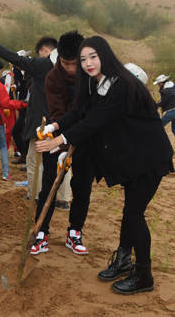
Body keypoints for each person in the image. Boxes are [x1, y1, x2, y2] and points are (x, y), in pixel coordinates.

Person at [35, 36, 173, 295]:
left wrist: (60, 141)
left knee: (134, 215)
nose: (88, 64)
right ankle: (123, 260)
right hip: (132, 158)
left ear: (105, 56)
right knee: (130, 212)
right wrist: (53, 127)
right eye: (83, 59)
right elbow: (78, 112)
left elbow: (96, 121)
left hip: (149, 157)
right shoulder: (93, 83)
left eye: (93, 57)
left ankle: (144, 275)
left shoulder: (121, 85)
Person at [29, 31, 92, 256]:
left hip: (86, 139)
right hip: (57, 138)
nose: (71, 69)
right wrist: (62, 147)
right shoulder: (53, 77)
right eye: (66, 63)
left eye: (75, 63)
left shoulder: (91, 75)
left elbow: (91, 115)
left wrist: (76, 139)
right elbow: (59, 113)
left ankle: (75, 232)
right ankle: (41, 232)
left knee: (82, 188)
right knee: (49, 186)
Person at [0, 35, 57, 200]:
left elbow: (17, 59)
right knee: (56, 161)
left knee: (34, 161)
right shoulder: (67, 66)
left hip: (42, 121)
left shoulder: (44, 64)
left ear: (45, 50)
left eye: (40, 53)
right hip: (59, 122)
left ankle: (35, 195)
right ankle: (61, 198)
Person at [153, 74, 175, 139]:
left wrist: (154, 105)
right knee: (174, 130)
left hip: (172, 112)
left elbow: (162, 103)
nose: (158, 85)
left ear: (162, 83)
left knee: (158, 127)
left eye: (158, 84)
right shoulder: (173, 86)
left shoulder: (165, 91)